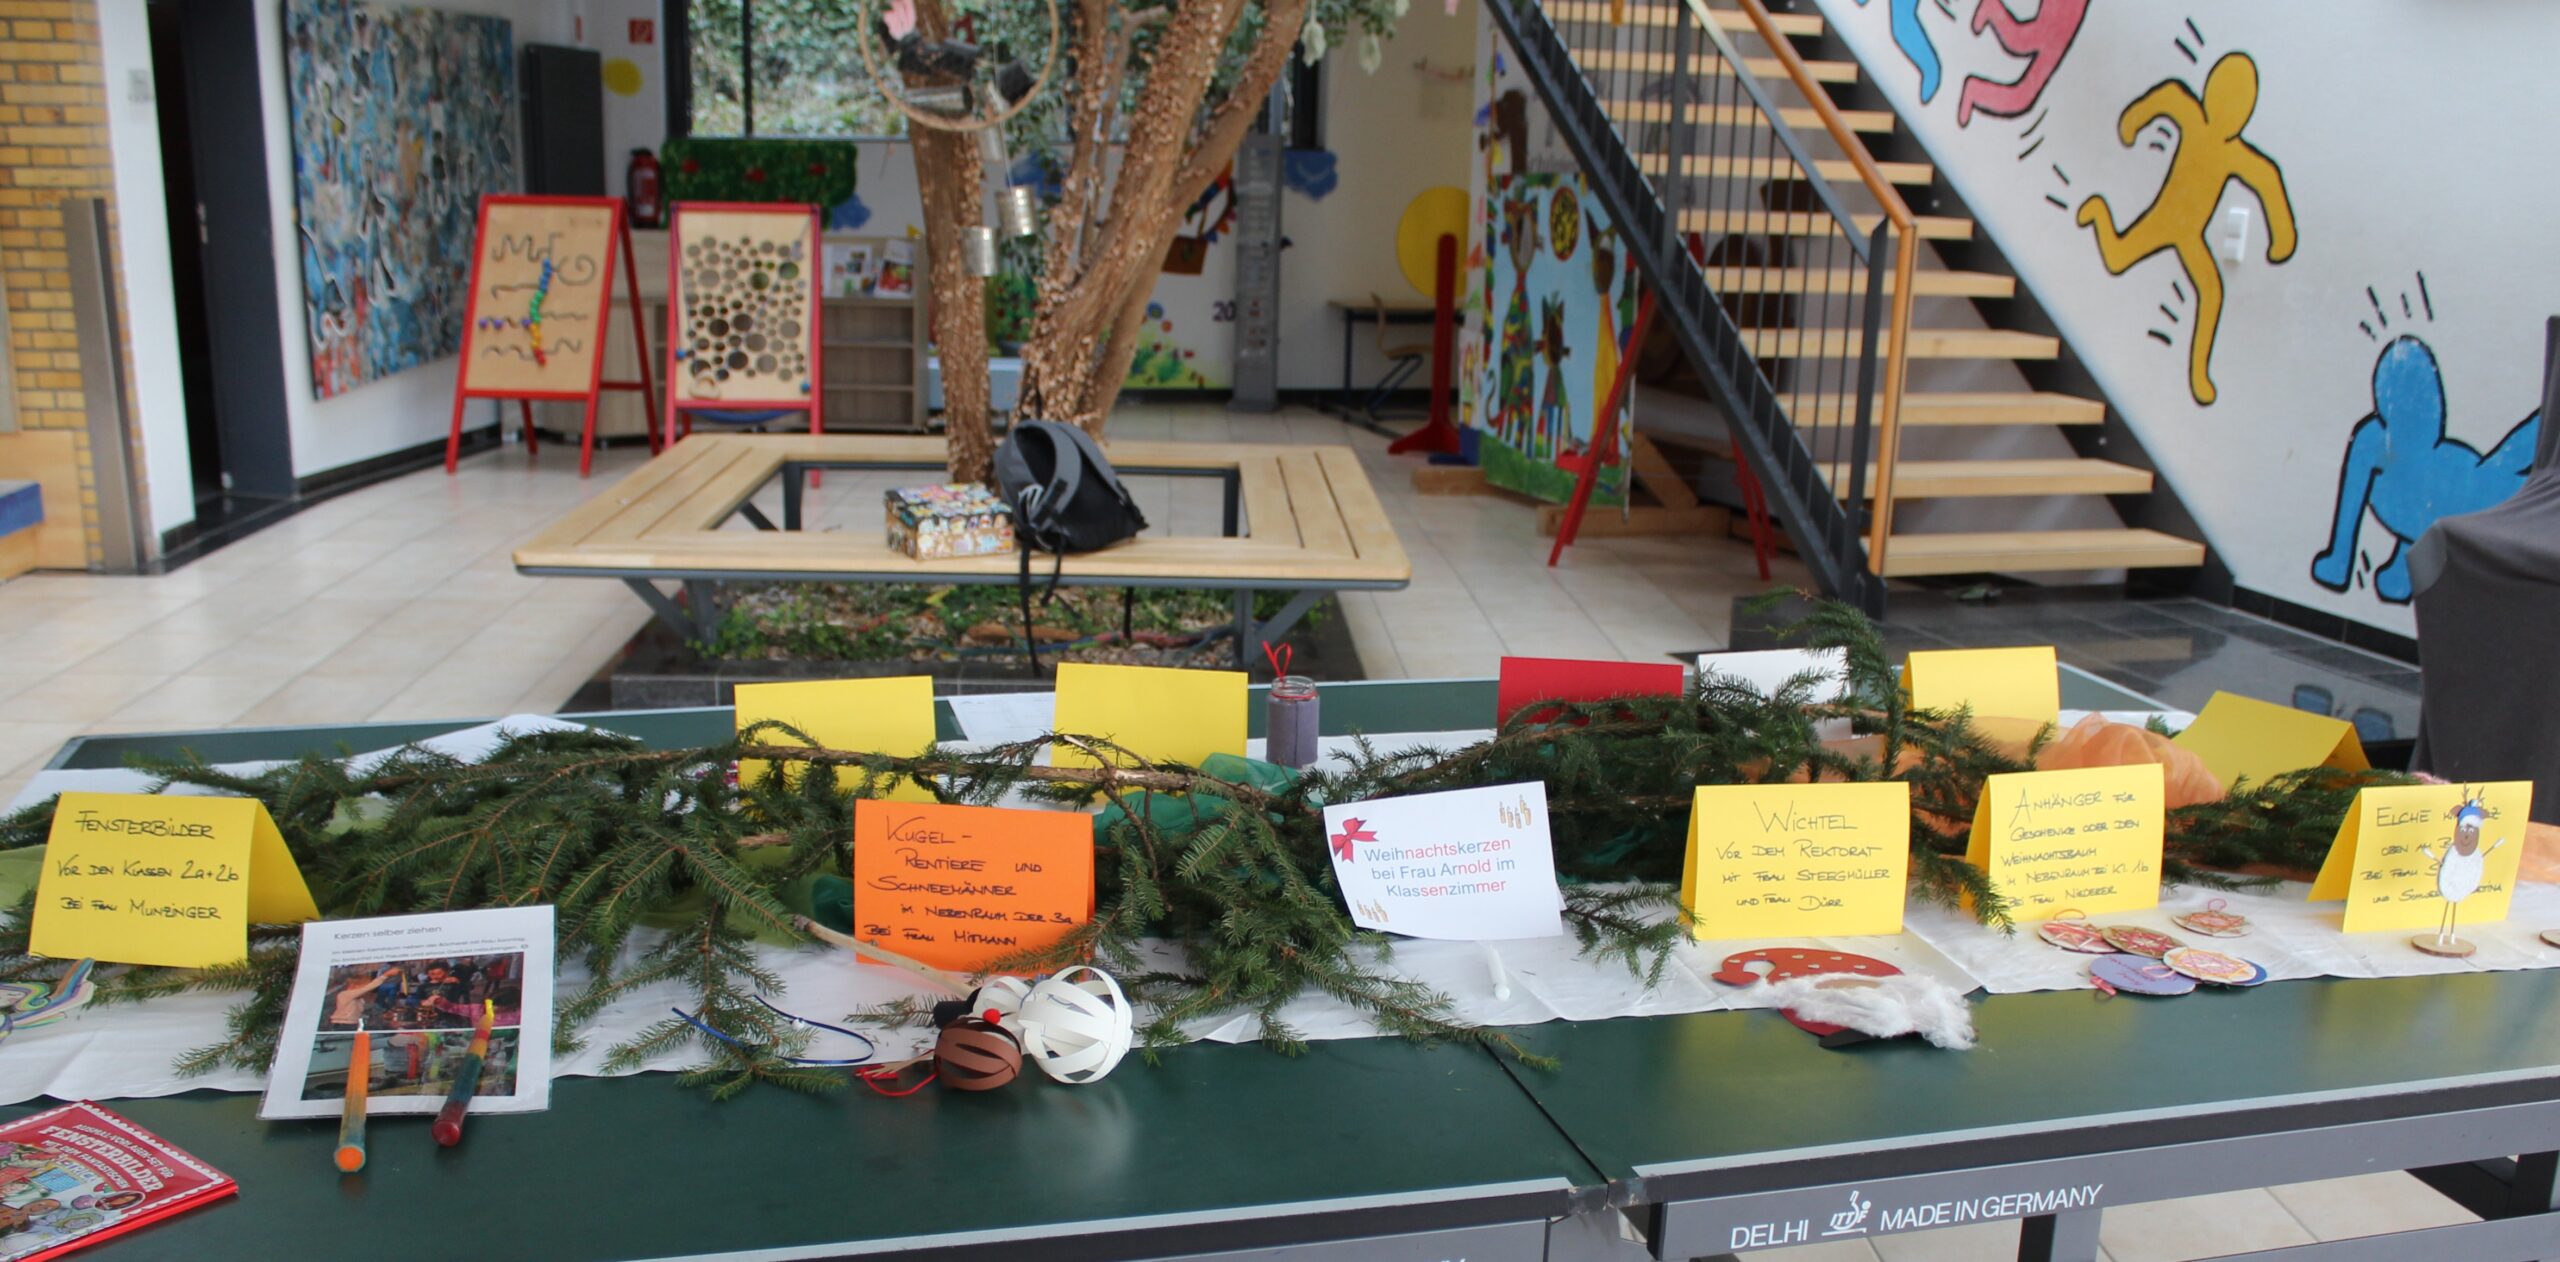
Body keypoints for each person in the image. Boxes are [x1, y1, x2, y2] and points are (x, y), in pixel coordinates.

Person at [2074, 52, 2294, 406]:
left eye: (2239, 105)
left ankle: (2199, 374)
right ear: (2210, 92)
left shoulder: (2236, 154)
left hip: (2191, 233)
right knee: (2116, 259)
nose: (2229, 112)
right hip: (2166, 218)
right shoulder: (2192, 115)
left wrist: (2281, 239)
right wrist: (2132, 123)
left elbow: (2267, 182)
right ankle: (2100, 212)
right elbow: (2165, 99)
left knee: (2211, 292)